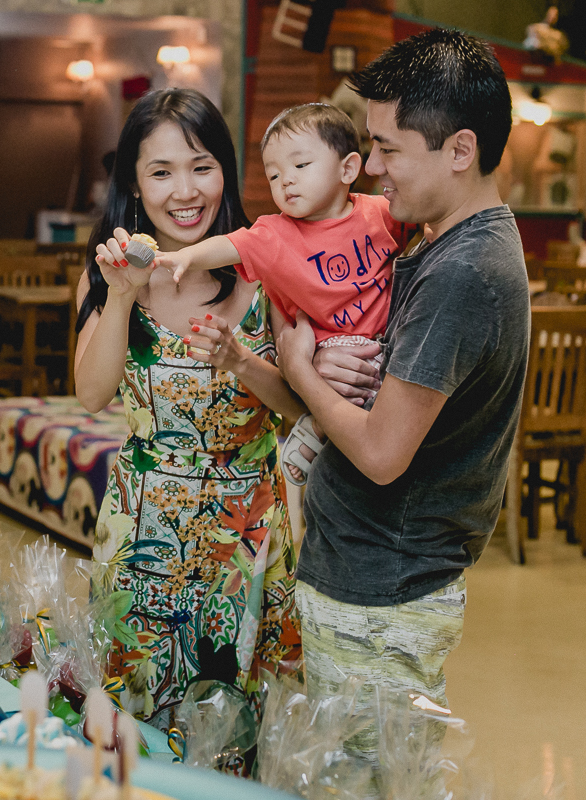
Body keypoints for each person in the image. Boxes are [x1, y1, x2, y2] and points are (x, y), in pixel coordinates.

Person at [274, 28, 529, 771]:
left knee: (360, 781)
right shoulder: (436, 240)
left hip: (381, 591)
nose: (371, 168)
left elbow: (384, 454)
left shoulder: (463, 272)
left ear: (459, 150)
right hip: (367, 575)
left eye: (388, 148)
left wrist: (302, 369)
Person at [74, 87, 303, 747]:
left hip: (248, 538)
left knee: (235, 726)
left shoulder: (268, 274)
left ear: (226, 171)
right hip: (143, 526)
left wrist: (242, 364)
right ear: (135, 186)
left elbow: (298, 408)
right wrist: (119, 297)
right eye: (161, 171)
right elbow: (91, 395)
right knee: (133, 716)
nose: (185, 190)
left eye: (201, 166)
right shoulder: (104, 275)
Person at [152, 103, 409, 485]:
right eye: (274, 175)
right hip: (328, 354)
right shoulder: (275, 234)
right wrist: (184, 257)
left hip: (388, 346)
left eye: (300, 167)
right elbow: (228, 245)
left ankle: (330, 432)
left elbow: (424, 227)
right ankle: (318, 429)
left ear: (348, 169)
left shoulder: (381, 213)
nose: (286, 181)